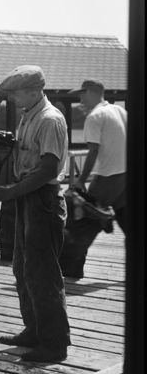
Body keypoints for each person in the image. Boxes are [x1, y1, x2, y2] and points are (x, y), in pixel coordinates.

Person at [0, 65, 69, 363]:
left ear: (34, 91)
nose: (14, 97)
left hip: (43, 200)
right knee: (22, 268)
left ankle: (54, 343)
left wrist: (8, 192)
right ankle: (34, 329)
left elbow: (48, 167)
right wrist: (10, 146)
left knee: (42, 273)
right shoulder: (28, 117)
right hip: (27, 198)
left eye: (18, 92)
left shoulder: (49, 120)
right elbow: (28, 158)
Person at [60, 79, 127, 279]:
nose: (80, 99)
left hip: (108, 176)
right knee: (128, 222)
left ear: (92, 92)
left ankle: (71, 269)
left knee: (81, 221)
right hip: (126, 176)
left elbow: (93, 151)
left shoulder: (95, 116)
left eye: (82, 94)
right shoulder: (121, 112)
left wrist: (82, 180)